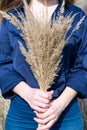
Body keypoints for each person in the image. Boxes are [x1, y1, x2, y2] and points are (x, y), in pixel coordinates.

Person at [0, 0, 87, 130]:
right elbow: (3, 64)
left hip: (65, 114)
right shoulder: (13, 17)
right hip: (22, 115)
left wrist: (59, 105)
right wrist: (28, 93)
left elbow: (83, 67)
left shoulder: (76, 16)